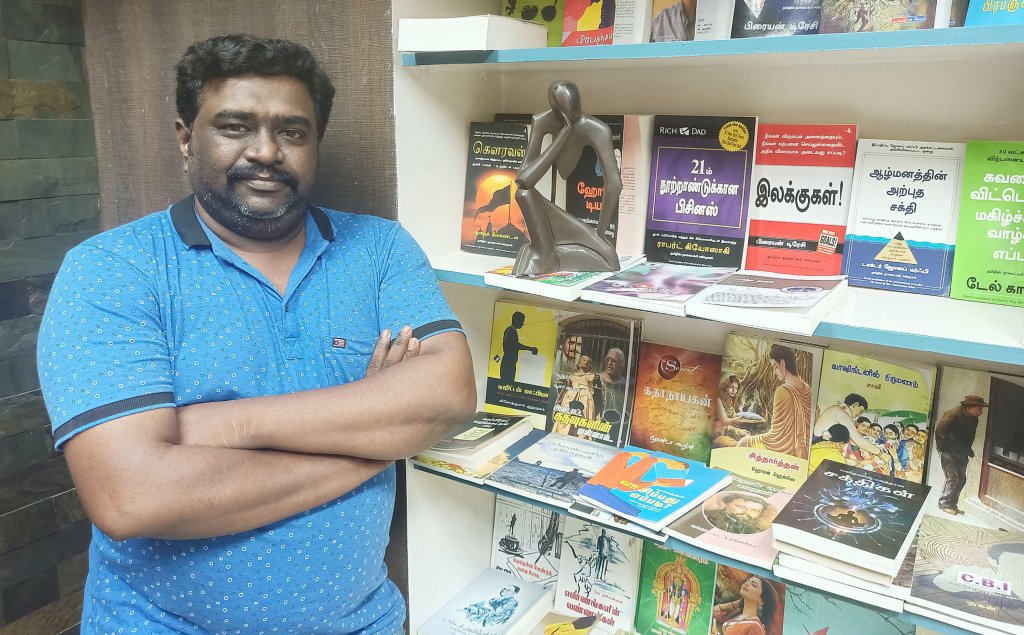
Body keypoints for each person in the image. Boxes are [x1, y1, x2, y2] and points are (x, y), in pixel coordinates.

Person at [35, 34, 476, 633]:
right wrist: (380, 441)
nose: (267, 151)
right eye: (235, 127)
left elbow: (448, 395)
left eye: (293, 131)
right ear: (186, 138)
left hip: (364, 622)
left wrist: (225, 425)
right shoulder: (112, 269)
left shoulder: (381, 250)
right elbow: (131, 496)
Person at [736, 345, 812, 458]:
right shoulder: (809, 389)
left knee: (744, 442)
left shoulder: (783, 391)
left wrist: (748, 440)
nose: (774, 372)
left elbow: (775, 437)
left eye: (775, 366)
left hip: (786, 451)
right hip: (803, 450)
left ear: (782, 364)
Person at [934, 395, 988, 515]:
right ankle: (945, 503)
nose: (981, 412)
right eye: (979, 409)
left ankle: (953, 504)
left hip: (962, 452)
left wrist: (966, 449)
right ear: (969, 407)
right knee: (953, 478)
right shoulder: (952, 415)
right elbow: (940, 433)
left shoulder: (973, 418)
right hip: (949, 452)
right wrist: (945, 449)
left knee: (962, 479)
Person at [712, 575, 778, 635]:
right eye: (747, 581)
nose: (746, 584)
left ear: (761, 600)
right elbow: (714, 611)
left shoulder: (755, 627)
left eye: (753, 585)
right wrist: (738, 603)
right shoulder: (737, 616)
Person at [500, 310, 538, 381]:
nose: (523, 323)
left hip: (510, 364)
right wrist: (530, 348)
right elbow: (516, 345)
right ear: (517, 321)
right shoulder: (511, 331)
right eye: (522, 321)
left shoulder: (512, 331)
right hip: (508, 365)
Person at [597, 347, 626, 418]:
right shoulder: (597, 378)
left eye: (614, 361)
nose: (609, 363)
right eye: (607, 359)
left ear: (621, 364)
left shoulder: (625, 384)